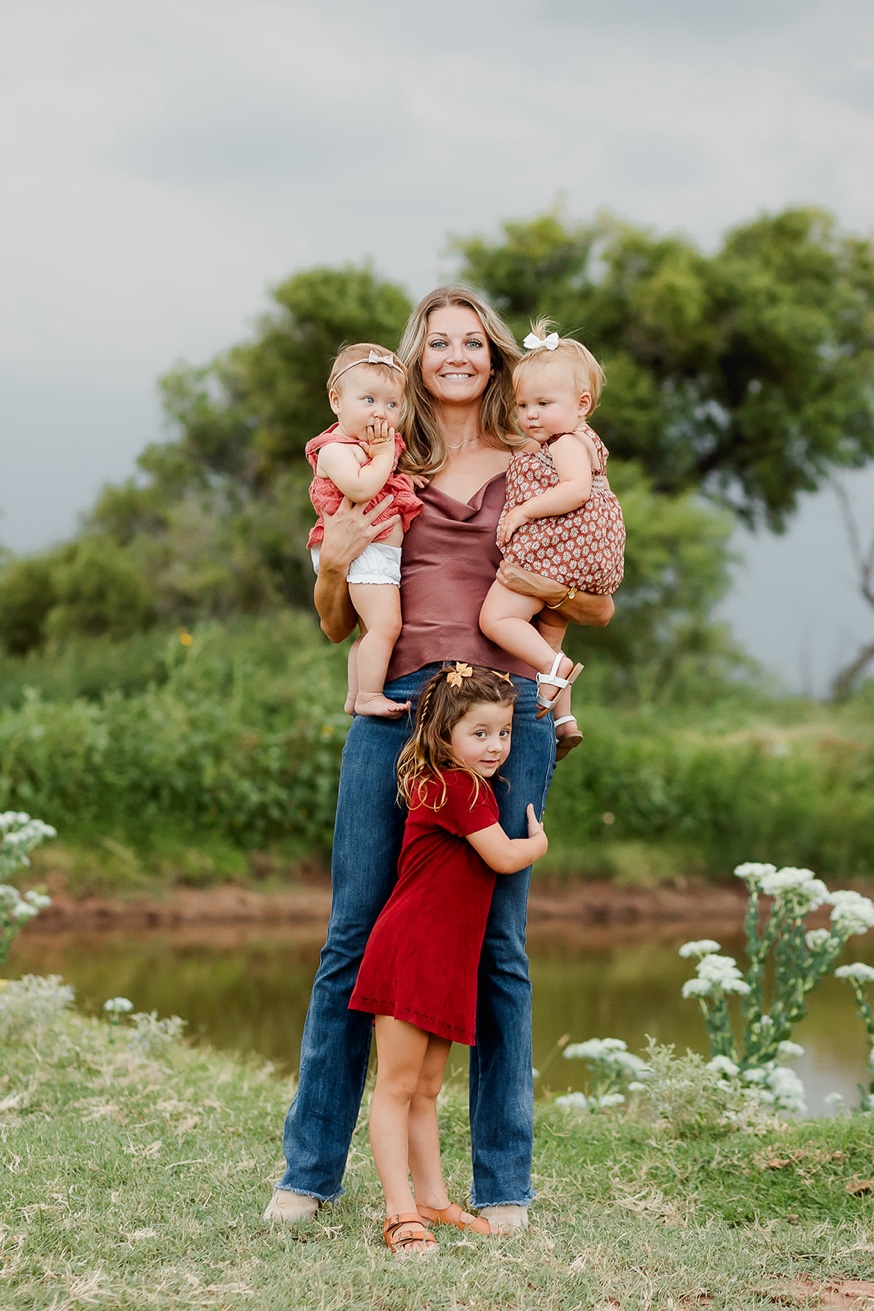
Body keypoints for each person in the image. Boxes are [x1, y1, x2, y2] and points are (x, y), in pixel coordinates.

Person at [265, 287, 613, 1235]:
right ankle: (309, 1171)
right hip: (397, 714)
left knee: (499, 947)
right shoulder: (382, 461)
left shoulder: (545, 463)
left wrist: (539, 596)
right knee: (354, 934)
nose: (456, 355)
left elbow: (596, 603)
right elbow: (339, 616)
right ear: (419, 357)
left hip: (505, 722)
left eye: (473, 341)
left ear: (496, 357)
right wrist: (335, 559)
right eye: (439, 342)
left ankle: (502, 1185)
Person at [348, 663, 548, 1254]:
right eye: (479, 733)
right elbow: (505, 858)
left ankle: (433, 1200)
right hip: (413, 949)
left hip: (444, 958)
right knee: (396, 1087)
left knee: (427, 1088)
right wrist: (536, 843)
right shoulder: (452, 785)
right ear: (445, 734)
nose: (495, 746)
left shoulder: (467, 785)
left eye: (504, 733)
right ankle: (399, 1212)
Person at [480, 322, 625, 760]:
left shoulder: (566, 443)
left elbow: (575, 490)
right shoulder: (560, 439)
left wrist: (522, 511)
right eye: (523, 405)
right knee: (550, 635)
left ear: (583, 405)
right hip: (579, 555)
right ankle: (563, 718)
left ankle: (554, 670)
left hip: (555, 550)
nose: (531, 415)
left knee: (498, 619)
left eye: (544, 403)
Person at [305, 343, 423, 717]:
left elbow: (382, 479)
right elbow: (360, 488)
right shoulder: (335, 449)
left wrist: (404, 476)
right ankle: (371, 694)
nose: (381, 413)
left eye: (392, 405)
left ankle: (357, 694)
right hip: (363, 553)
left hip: (374, 555)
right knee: (387, 626)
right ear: (336, 400)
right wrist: (386, 455)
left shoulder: (368, 446)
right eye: (369, 399)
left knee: (371, 632)